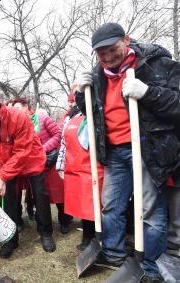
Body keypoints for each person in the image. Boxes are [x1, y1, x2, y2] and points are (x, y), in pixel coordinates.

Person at [75, 22, 180, 281]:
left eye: (113, 49)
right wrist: (81, 92)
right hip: (115, 151)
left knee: (150, 210)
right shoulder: (98, 75)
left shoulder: (157, 63)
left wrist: (148, 93)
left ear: (126, 39)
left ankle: (151, 265)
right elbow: (92, 112)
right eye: (102, 55)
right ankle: (113, 254)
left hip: (148, 148)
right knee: (111, 205)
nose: (109, 58)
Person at [0, 89, 56, 259]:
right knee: (8, 199)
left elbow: (23, 151)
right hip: (6, 163)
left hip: (31, 159)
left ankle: (46, 232)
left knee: (40, 194)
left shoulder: (18, 117)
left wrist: (2, 176)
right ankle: (11, 238)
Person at [13, 99, 72, 234]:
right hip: (34, 166)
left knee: (58, 194)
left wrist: (43, 149)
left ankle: (64, 221)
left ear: (26, 107)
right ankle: (44, 224)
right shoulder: (17, 126)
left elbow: (58, 134)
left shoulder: (42, 117)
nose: (15, 112)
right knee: (40, 197)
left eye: (18, 108)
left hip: (50, 163)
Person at [56, 99, 104, 251]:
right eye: (70, 100)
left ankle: (101, 238)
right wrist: (60, 164)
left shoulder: (98, 113)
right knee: (84, 206)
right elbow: (64, 142)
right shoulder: (71, 118)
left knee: (98, 205)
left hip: (96, 167)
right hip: (75, 168)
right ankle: (88, 237)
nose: (71, 103)